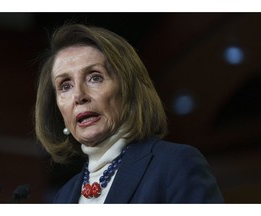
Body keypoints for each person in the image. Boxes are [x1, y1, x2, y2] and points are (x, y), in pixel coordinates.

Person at [35, 23, 224, 203]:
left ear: (129, 90)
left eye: (95, 77)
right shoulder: (63, 197)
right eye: (65, 86)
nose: (79, 96)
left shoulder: (176, 165)